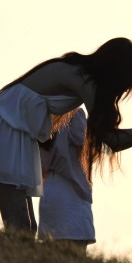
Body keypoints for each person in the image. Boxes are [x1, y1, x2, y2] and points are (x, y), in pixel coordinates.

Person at [0, 37, 132, 235]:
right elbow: (112, 140)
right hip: (7, 130)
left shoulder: (79, 72)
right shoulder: (83, 81)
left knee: (27, 228)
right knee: (19, 226)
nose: (129, 86)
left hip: (16, 132)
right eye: (129, 78)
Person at [38, 108, 95, 254]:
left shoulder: (44, 116)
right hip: (71, 194)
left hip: (49, 191)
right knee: (75, 260)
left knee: (52, 258)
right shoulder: (75, 114)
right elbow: (84, 141)